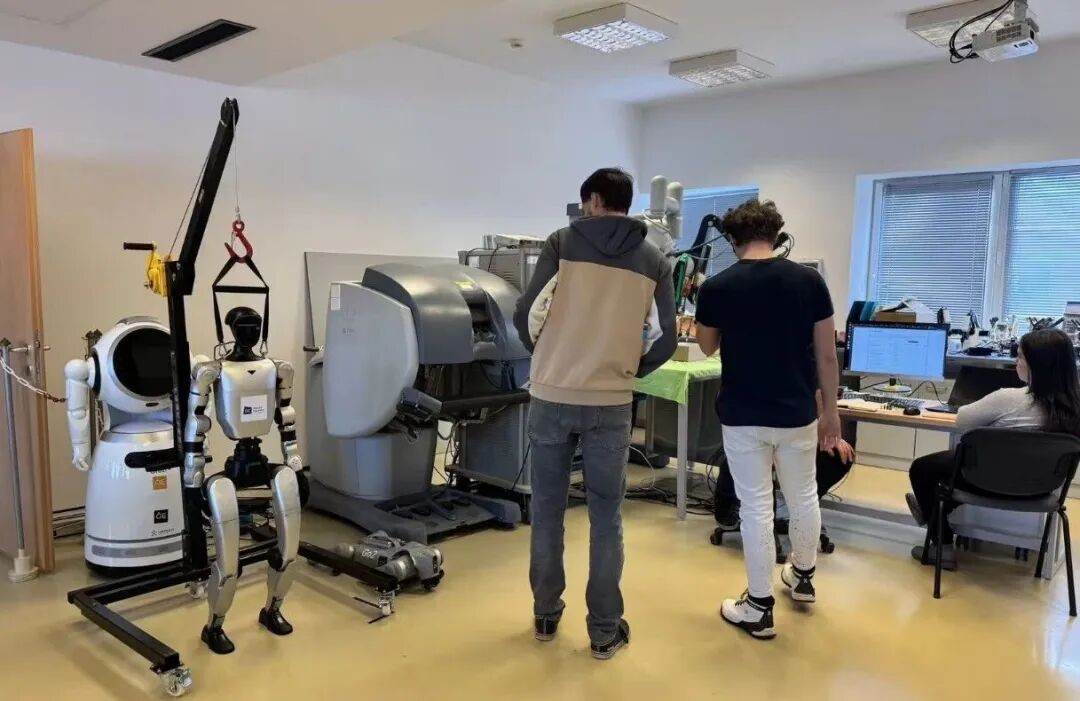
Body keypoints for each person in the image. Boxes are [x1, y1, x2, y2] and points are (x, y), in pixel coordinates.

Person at [513, 168, 677, 660]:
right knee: (607, 517)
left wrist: (546, 358)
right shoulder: (654, 259)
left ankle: (546, 615)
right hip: (611, 401)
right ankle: (604, 631)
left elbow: (527, 313)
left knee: (547, 511)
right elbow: (666, 338)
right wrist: (629, 368)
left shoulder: (561, 243)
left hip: (551, 396)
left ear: (595, 199)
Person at [694, 199, 840, 640]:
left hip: (743, 414)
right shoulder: (809, 282)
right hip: (797, 412)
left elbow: (706, 346)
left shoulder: (718, 286)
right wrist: (831, 413)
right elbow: (827, 355)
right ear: (776, 236)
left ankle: (758, 607)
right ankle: (803, 576)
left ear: (732, 239)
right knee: (803, 495)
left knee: (756, 505)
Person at [907, 328, 1080, 569]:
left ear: (1038, 365)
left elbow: (962, 420)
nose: (1016, 362)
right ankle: (934, 509)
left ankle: (941, 541)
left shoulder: (1008, 398)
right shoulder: (1074, 407)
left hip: (986, 482)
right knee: (943, 472)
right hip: (1042, 488)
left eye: (1020, 357)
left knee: (923, 468)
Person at [714, 390, 855, 529]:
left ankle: (795, 511)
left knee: (839, 455)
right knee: (754, 451)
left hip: (792, 419)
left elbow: (817, 387)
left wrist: (825, 428)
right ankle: (728, 507)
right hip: (752, 415)